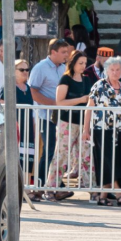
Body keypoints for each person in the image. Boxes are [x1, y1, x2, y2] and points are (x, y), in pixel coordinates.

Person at [48, 50, 94, 198]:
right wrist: (80, 100)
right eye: (80, 63)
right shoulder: (65, 79)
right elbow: (59, 102)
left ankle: (92, 188)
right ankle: (51, 187)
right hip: (67, 122)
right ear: (73, 63)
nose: (83, 66)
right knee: (61, 155)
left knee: (86, 156)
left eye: (85, 63)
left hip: (83, 123)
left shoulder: (87, 79)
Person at [86, 56, 121, 204]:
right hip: (101, 129)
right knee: (107, 161)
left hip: (118, 130)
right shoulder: (99, 86)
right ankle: (119, 193)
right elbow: (89, 107)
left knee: (117, 161)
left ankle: (103, 197)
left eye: (118, 69)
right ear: (106, 70)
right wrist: (86, 129)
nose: (115, 72)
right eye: (112, 69)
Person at [29, 39, 72, 189]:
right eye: (63, 52)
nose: (67, 55)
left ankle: (55, 183)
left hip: (62, 117)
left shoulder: (63, 68)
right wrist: (54, 104)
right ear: (53, 52)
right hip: (46, 116)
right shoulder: (40, 68)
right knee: (50, 150)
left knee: (59, 151)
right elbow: (32, 91)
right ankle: (41, 184)